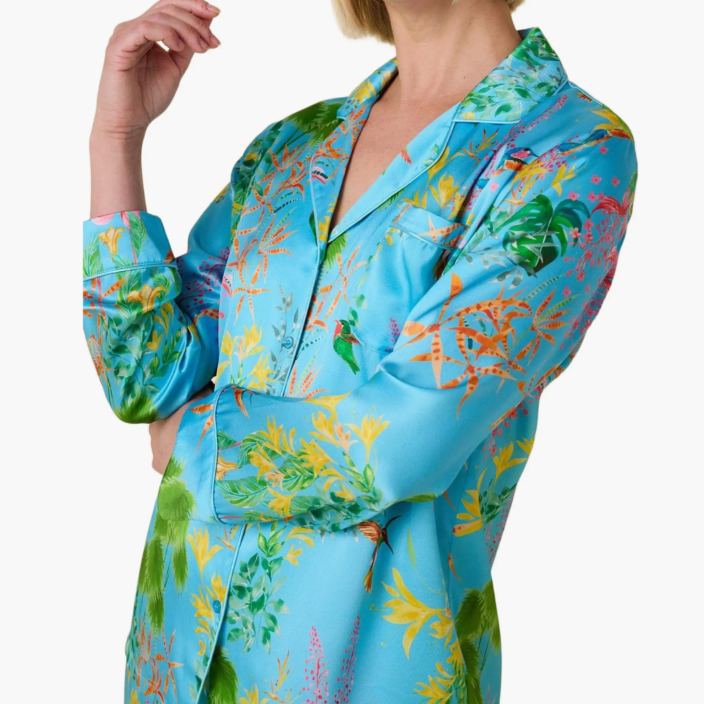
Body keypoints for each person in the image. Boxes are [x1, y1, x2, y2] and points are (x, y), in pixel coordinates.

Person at [81, 0, 638, 702]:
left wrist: (197, 443)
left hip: (368, 673)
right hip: (174, 659)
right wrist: (116, 139)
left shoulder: (571, 151)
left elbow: (399, 443)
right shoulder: (292, 148)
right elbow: (145, 380)